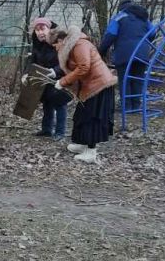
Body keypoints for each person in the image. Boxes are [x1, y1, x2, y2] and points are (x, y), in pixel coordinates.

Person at [50, 26, 117, 164]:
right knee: (82, 116)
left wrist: (63, 82)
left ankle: (91, 152)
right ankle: (82, 143)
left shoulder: (79, 44)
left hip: (99, 86)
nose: (55, 48)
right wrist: (56, 74)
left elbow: (83, 67)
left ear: (62, 40)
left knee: (92, 118)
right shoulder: (73, 46)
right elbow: (74, 67)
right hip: (90, 86)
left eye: (55, 44)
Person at [98, 0, 152, 111]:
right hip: (142, 54)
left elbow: (110, 36)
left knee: (125, 79)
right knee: (137, 79)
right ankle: (136, 106)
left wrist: (100, 52)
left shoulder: (119, 17)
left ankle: (127, 107)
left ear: (121, 8)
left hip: (124, 54)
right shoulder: (143, 17)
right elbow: (153, 32)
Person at [29, 17, 69, 140]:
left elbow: (66, 62)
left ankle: (60, 132)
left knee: (60, 104)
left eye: (42, 29)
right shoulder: (37, 44)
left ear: (49, 29)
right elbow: (32, 61)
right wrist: (27, 74)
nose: (40, 32)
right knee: (47, 104)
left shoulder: (59, 41)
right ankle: (47, 130)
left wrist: (55, 71)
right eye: (37, 30)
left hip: (60, 78)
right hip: (44, 78)